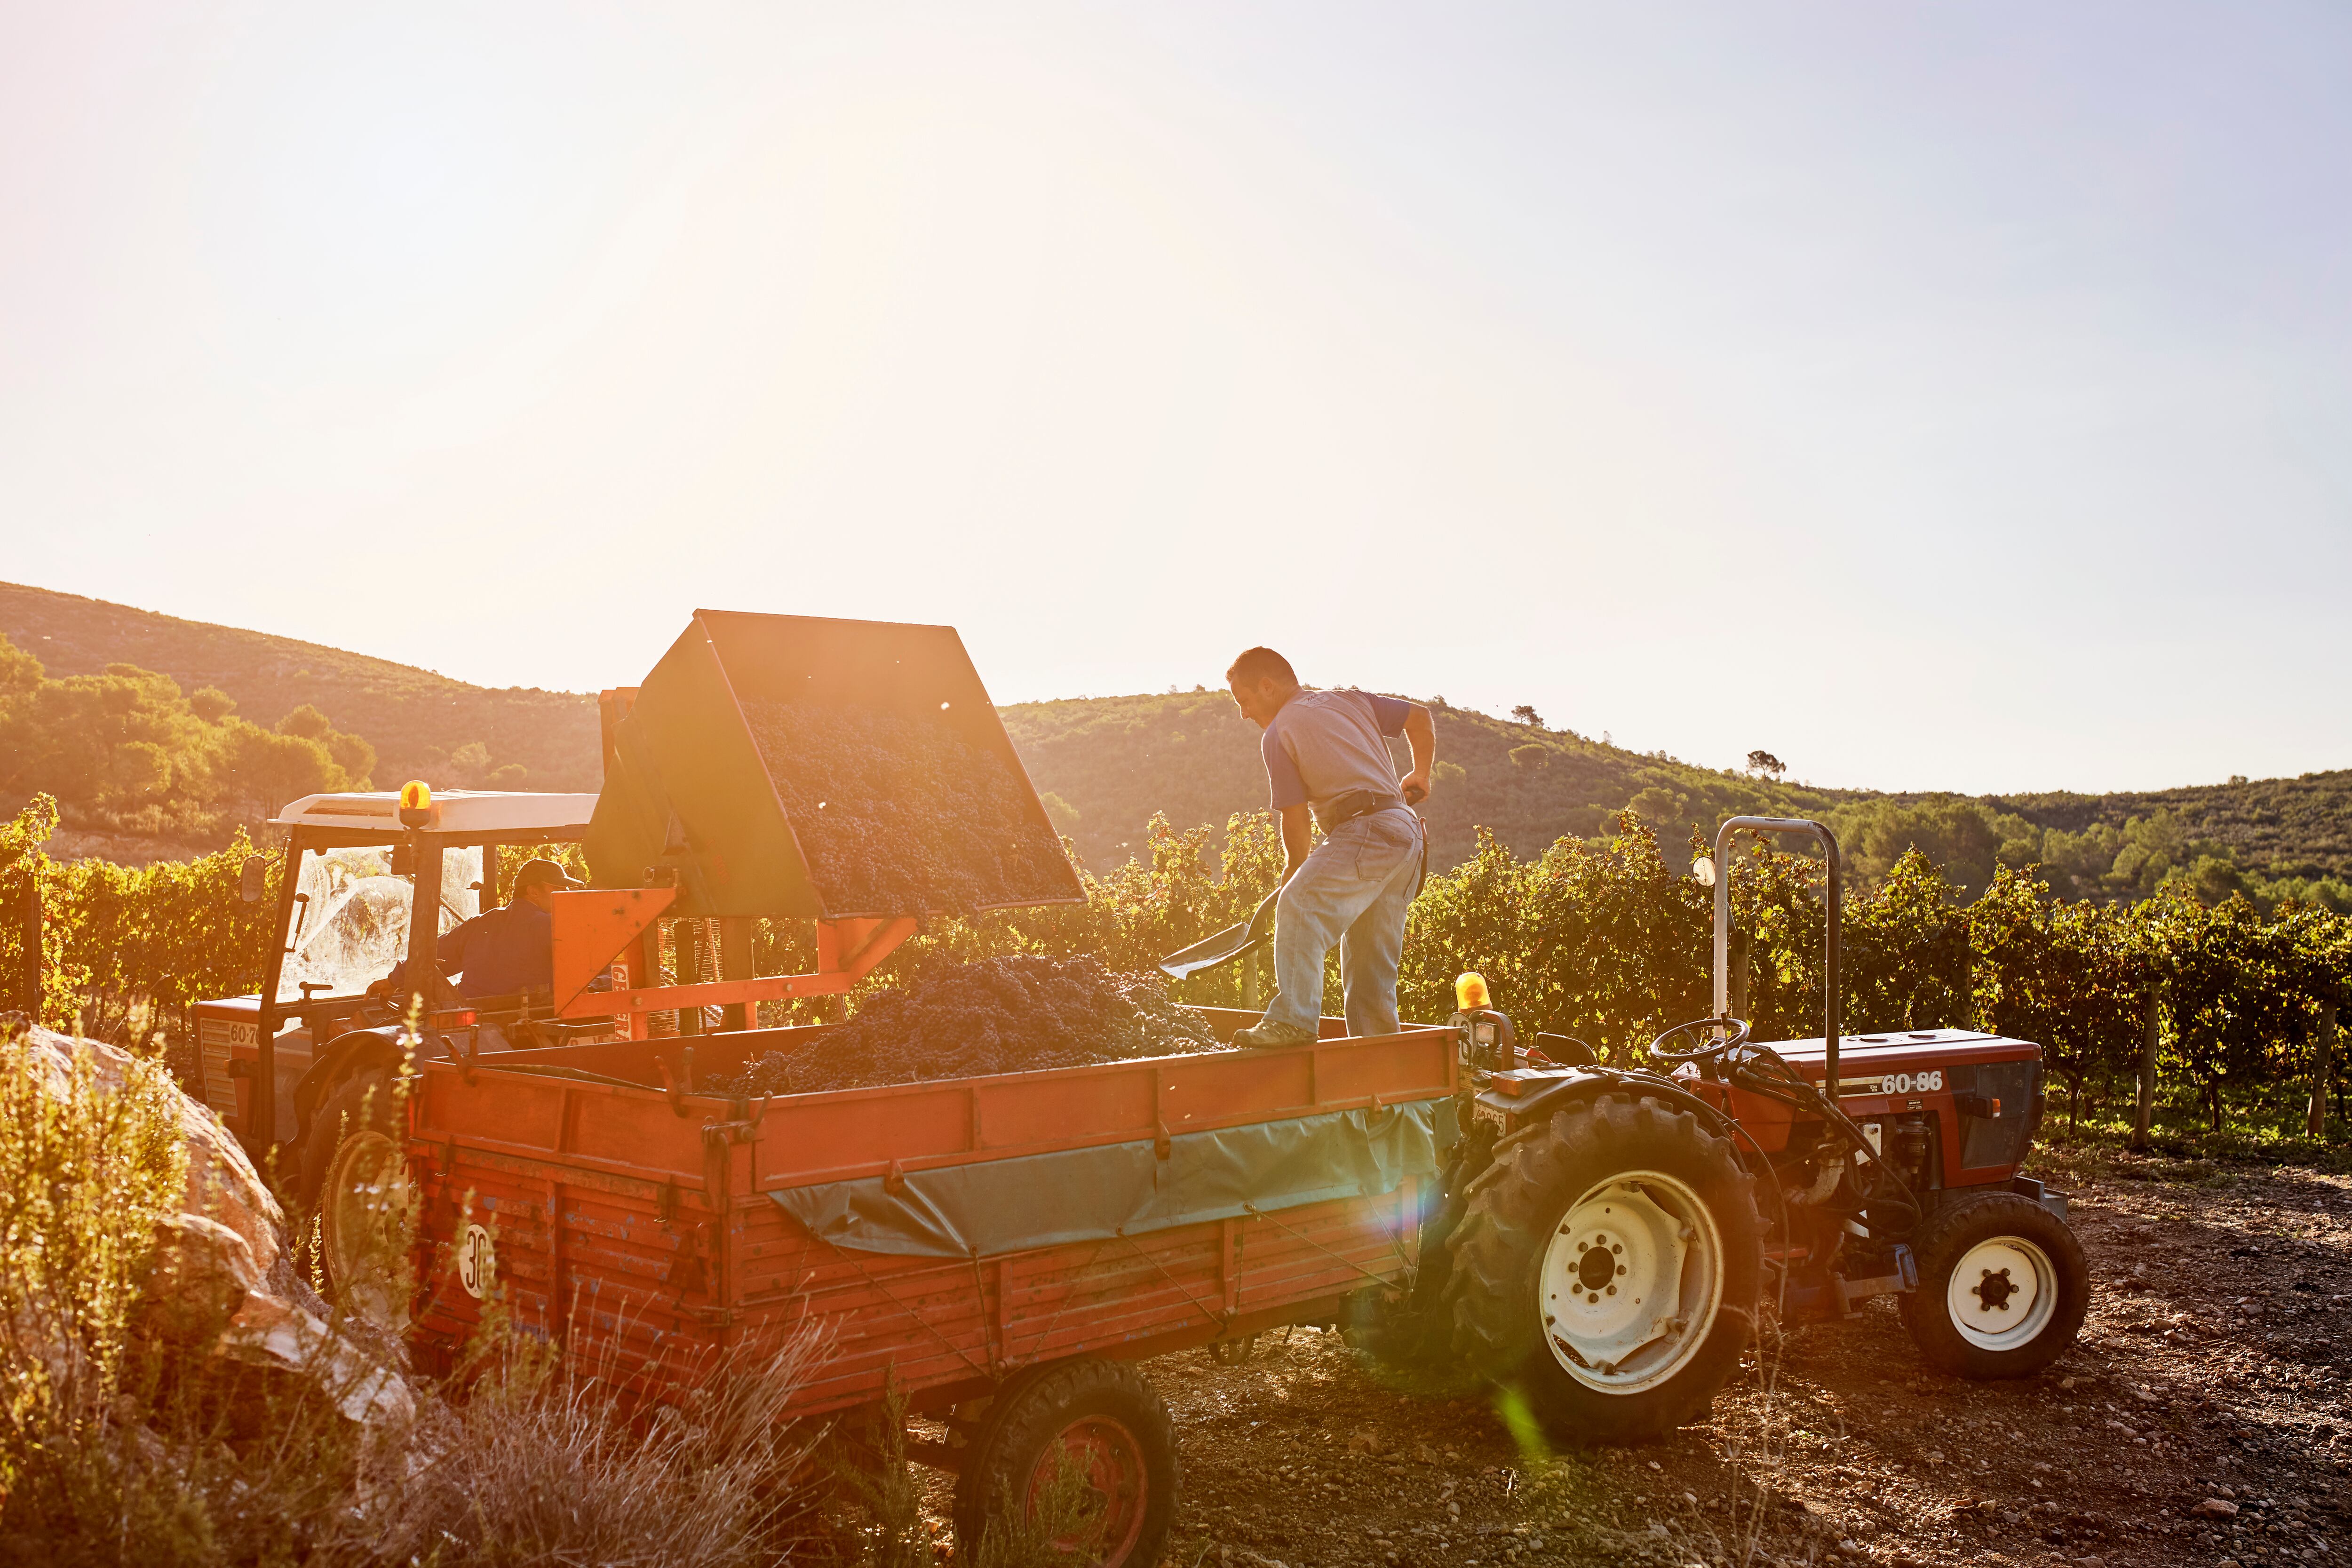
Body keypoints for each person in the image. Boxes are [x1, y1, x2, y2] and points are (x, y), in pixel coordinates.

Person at [1224, 647, 1435, 1046]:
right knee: (1370, 970)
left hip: (1366, 830)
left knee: (1300, 904)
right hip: (1406, 838)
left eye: (1245, 701)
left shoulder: (1280, 732)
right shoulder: (1349, 700)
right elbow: (1420, 718)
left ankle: (1293, 1020)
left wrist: (1293, 877)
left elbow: (1297, 822)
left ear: (1267, 687)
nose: (1244, 714)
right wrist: (1421, 773)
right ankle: (1381, 1070)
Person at [373, 856, 580, 1005]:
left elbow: (429, 957)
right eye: (561, 889)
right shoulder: (551, 926)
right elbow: (589, 969)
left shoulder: (479, 924)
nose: (568, 894)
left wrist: (394, 981)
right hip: (530, 1021)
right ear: (534, 892)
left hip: (472, 1022)